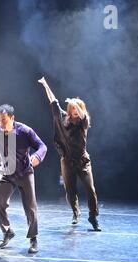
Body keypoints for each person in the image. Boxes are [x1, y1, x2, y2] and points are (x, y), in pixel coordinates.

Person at [0, 105, 47, 254]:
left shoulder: (24, 131)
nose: (0, 124)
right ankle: (7, 231)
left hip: (25, 173)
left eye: (3, 121)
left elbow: (42, 146)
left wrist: (37, 157)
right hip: (6, 173)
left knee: (30, 207)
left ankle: (33, 238)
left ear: (12, 119)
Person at [38, 76, 101, 231]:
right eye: (71, 108)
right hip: (67, 161)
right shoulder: (63, 119)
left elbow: (83, 114)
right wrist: (46, 85)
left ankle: (93, 217)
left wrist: (74, 102)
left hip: (83, 161)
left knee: (90, 189)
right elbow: (54, 102)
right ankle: (75, 212)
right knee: (70, 191)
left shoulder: (83, 122)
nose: (74, 111)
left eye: (76, 109)